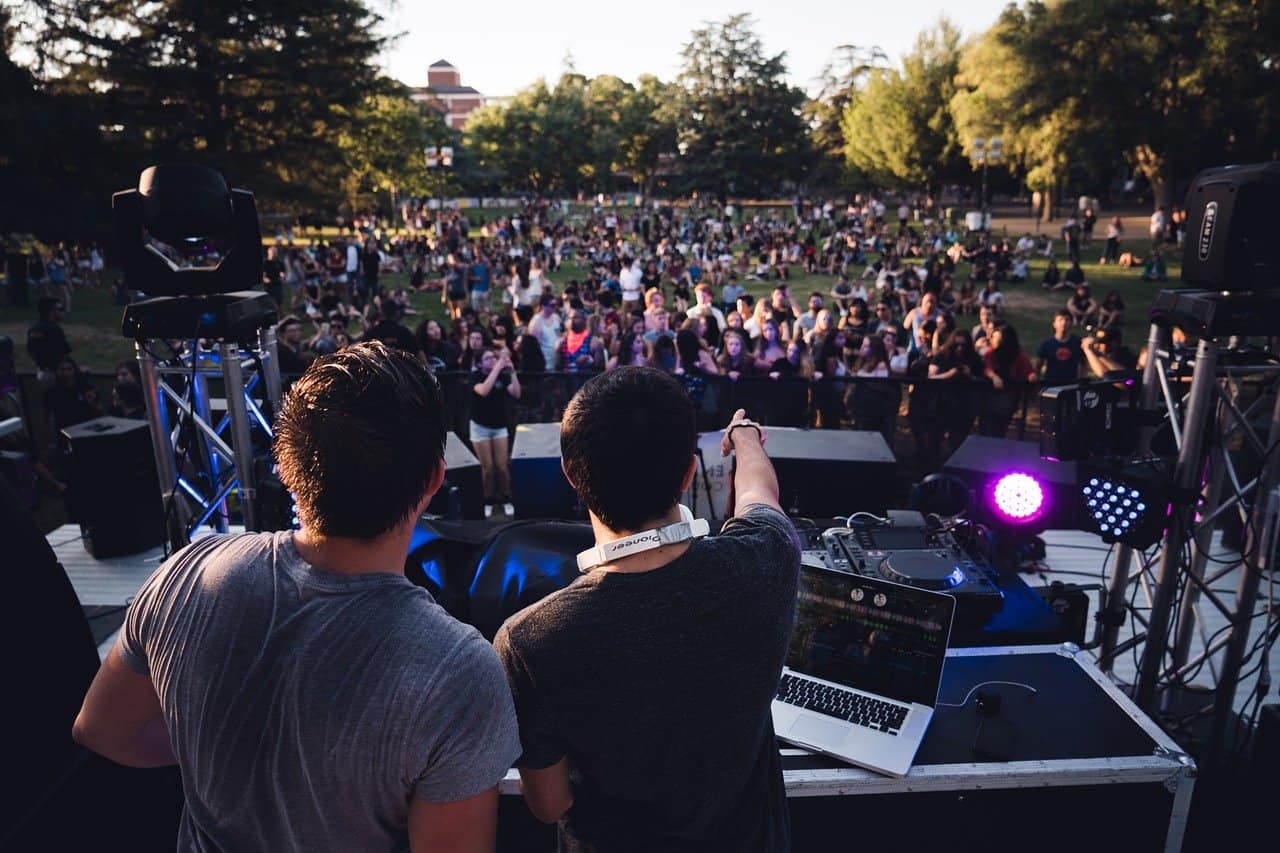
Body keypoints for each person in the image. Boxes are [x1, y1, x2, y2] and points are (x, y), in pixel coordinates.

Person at [73, 342, 521, 851]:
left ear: (286, 469)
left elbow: (101, 729)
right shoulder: (459, 673)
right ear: (435, 480)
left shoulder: (185, 575)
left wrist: (214, 745)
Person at [494, 371, 799, 851]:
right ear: (687, 474)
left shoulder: (530, 641)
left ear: (571, 473)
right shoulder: (767, 558)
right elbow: (760, 494)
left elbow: (548, 805)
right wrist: (745, 438)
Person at [471, 346, 521, 518]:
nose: (492, 360)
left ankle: (506, 498)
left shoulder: (502, 375)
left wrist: (512, 372)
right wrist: (498, 367)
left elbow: (516, 393)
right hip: (480, 428)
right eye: (487, 358)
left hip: (499, 426)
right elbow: (483, 391)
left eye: (493, 357)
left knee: (502, 467)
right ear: (479, 363)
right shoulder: (475, 376)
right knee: (488, 469)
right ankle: (488, 500)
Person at [27, 297, 71, 385]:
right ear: (51, 312)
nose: (63, 312)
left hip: (41, 371)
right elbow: (62, 353)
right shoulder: (54, 330)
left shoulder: (34, 329)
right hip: (55, 374)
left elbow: (32, 351)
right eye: (60, 309)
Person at [1035, 310, 1084, 387]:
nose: (1064, 322)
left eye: (1067, 320)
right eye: (1060, 319)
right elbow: (1038, 366)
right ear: (1054, 324)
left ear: (1071, 323)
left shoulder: (1078, 342)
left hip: (1072, 385)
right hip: (1051, 386)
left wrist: (1081, 382)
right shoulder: (1047, 343)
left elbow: (1083, 364)